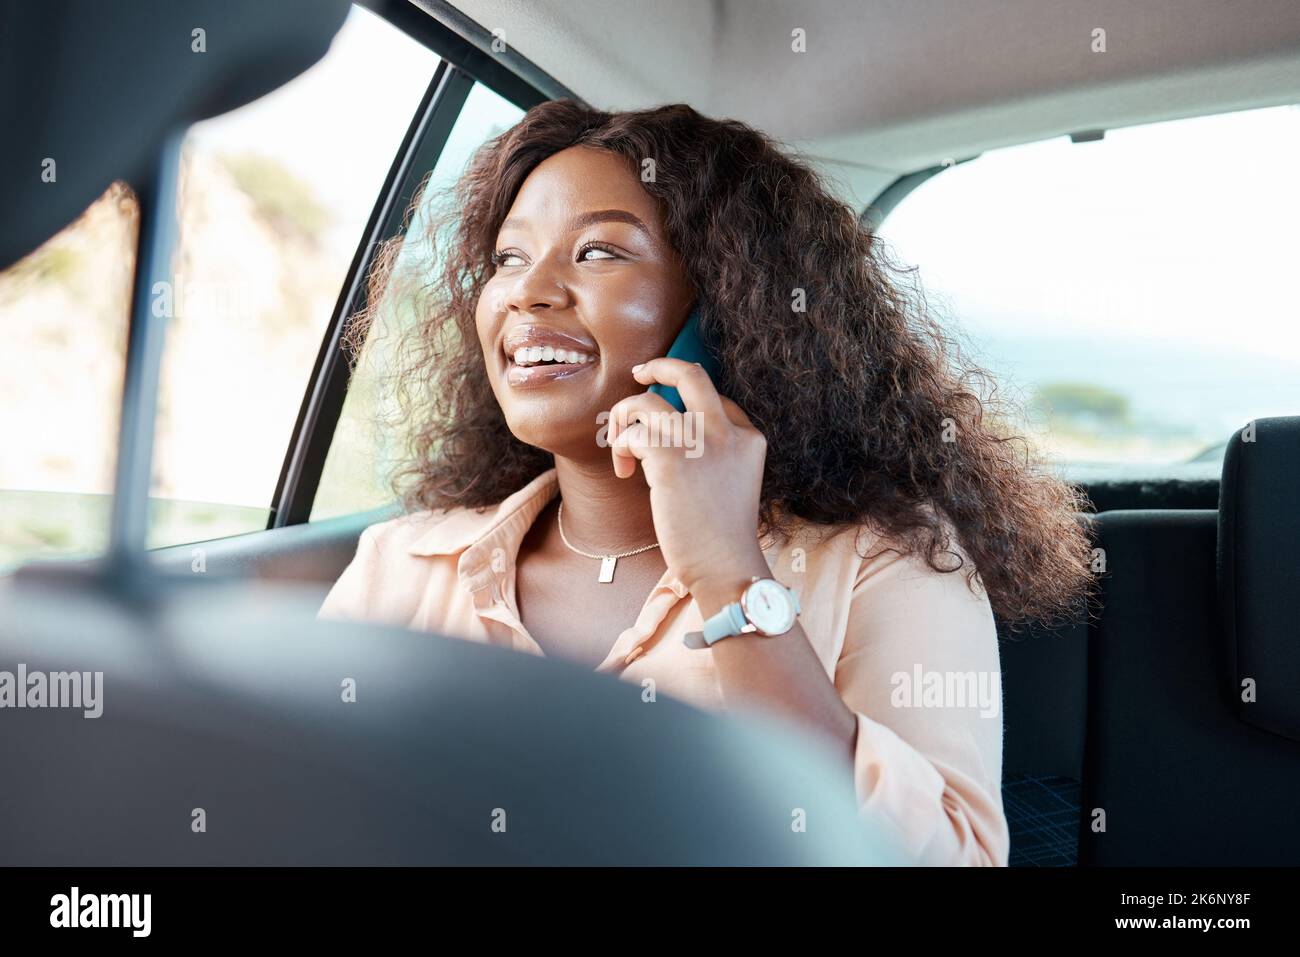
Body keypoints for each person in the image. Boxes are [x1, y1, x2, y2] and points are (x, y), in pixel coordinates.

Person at [319, 100, 1094, 866]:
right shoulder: (401, 565)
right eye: (509, 259)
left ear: (728, 311)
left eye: (598, 253)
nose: (529, 291)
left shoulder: (886, 564)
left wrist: (728, 572)